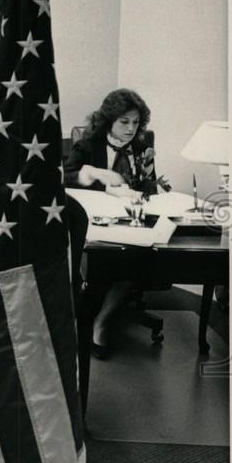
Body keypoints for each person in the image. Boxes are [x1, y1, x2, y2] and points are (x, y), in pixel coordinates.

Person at [65, 88, 160, 357]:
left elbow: (150, 190)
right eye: (124, 122)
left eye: (136, 122)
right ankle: (88, 323)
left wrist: (146, 180)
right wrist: (99, 178)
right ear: (110, 121)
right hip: (96, 222)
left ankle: (102, 322)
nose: (131, 129)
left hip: (130, 221)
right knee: (103, 264)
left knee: (136, 262)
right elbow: (66, 177)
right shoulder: (89, 144)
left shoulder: (141, 149)